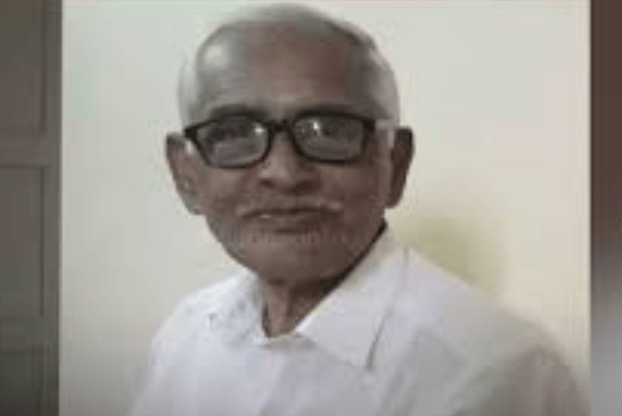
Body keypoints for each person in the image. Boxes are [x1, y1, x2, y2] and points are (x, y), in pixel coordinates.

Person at [128, 4, 587, 416]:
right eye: (233, 133)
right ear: (185, 174)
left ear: (396, 164)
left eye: (329, 130)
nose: (284, 174)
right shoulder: (183, 336)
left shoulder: (495, 372)